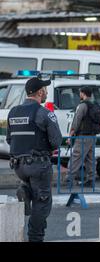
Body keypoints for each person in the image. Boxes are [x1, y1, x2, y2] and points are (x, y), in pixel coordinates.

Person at [7, 77, 63, 242]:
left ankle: (26, 189)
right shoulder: (44, 113)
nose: (46, 92)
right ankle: (35, 238)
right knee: (42, 202)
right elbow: (56, 141)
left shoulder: (13, 111)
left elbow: (10, 139)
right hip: (38, 165)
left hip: (18, 166)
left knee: (34, 189)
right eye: (45, 89)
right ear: (40, 92)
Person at [66, 87, 100, 187]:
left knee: (76, 156)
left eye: (80, 93)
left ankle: (69, 179)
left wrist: (71, 132)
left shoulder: (82, 106)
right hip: (92, 136)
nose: (80, 95)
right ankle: (91, 179)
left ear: (83, 94)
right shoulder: (94, 105)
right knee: (90, 158)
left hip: (83, 136)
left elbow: (77, 120)